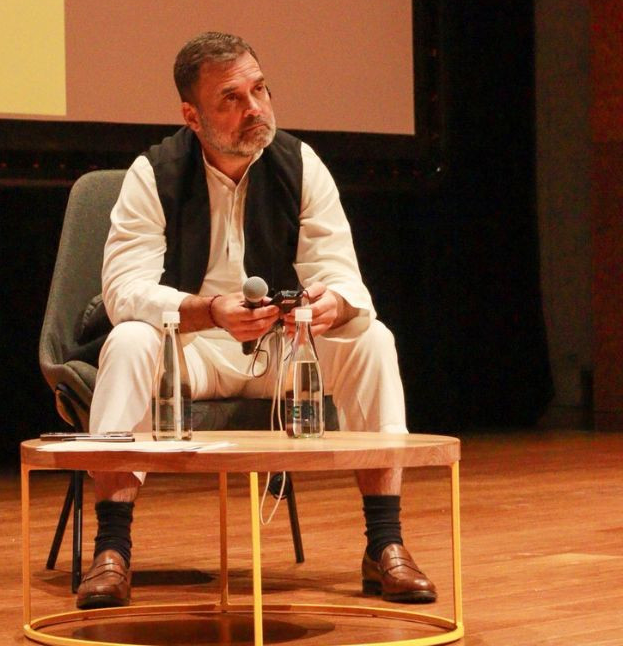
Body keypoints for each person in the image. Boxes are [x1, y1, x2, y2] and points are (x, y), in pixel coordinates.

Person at [75, 32, 435, 610]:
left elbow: (343, 277)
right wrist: (207, 311)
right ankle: (112, 551)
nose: (255, 109)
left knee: (372, 338)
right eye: (232, 98)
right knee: (130, 340)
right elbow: (124, 291)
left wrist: (331, 306)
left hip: (284, 353)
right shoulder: (154, 173)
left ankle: (385, 544)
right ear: (192, 116)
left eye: (260, 90)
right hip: (190, 351)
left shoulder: (300, 165)